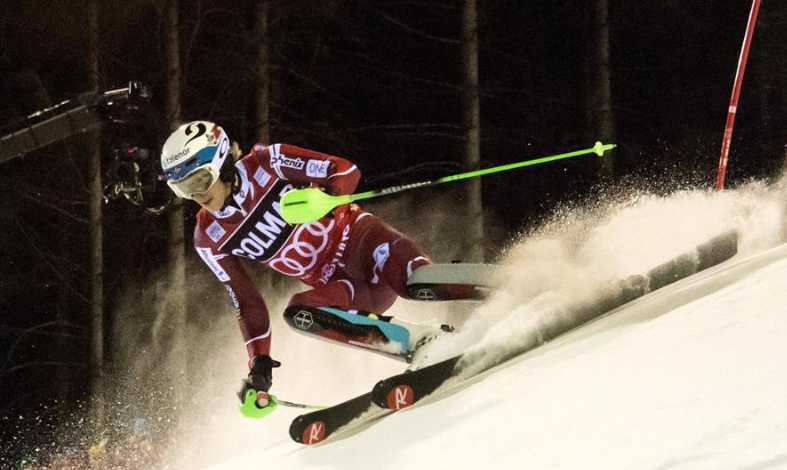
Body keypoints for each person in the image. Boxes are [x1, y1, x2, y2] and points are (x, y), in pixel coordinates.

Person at [160, 121, 434, 409]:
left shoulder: (268, 163)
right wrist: (259, 364)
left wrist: (326, 198)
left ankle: (473, 293)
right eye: (182, 188)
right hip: (348, 290)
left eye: (199, 181)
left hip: (368, 245)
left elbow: (345, 171)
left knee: (415, 280)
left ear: (220, 163)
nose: (196, 195)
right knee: (299, 312)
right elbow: (247, 303)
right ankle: (416, 345)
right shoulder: (208, 237)